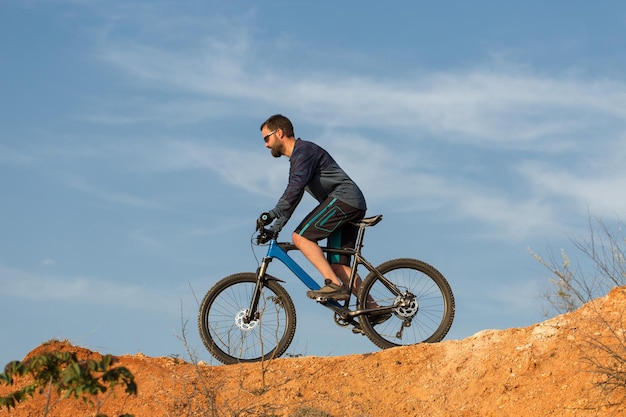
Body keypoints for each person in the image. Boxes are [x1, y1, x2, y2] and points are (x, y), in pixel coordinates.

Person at [258, 114, 367, 301]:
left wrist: (272, 214)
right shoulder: (298, 159)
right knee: (338, 265)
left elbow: (294, 188)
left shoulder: (303, 152)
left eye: (267, 138)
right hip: (349, 203)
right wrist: (275, 228)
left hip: (344, 199)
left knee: (301, 237)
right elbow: (293, 199)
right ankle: (372, 308)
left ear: (280, 133)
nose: (266, 145)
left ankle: (332, 285)